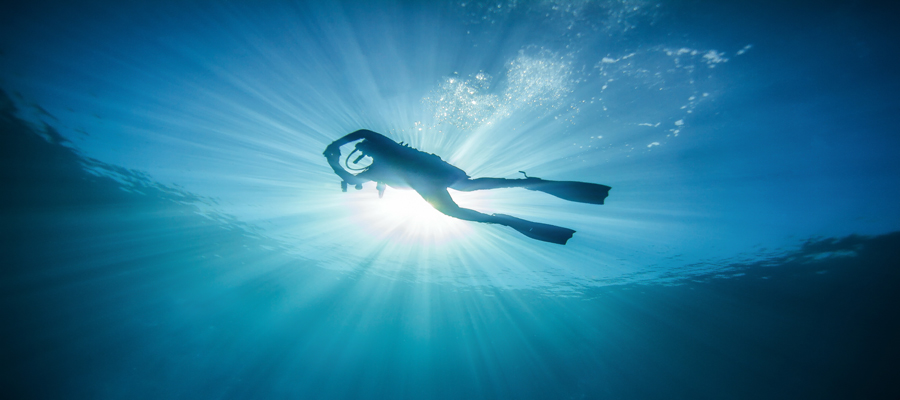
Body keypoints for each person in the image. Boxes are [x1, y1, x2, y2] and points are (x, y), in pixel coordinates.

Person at [323, 129, 610, 245]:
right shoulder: (377, 168)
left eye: (365, 151)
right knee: (464, 197)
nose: (366, 153)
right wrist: (335, 161)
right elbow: (352, 178)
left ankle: (518, 204)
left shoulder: (383, 152)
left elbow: (363, 134)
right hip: (434, 179)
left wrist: (334, 149)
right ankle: (524, 196)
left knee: (465, 195)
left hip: (432, 176)